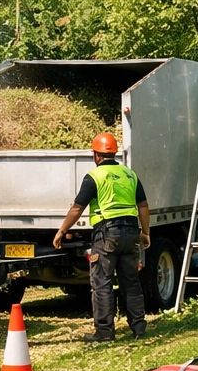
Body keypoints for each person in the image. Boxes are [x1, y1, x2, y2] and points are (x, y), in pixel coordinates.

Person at [54, 132, 150, 342]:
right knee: (131, 282)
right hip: (131, 232)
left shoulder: (95, 176)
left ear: (96, 155)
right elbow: (143, 205)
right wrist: (145, 232)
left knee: (102, 282)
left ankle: (105, 332)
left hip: (107, 234)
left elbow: (77, 208)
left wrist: (62, 231)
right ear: (114, 153)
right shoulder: (130, 174)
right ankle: (139, 329)